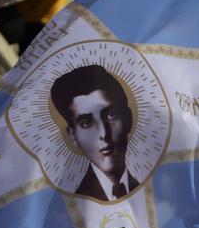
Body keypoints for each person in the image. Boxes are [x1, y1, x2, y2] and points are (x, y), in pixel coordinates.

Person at [50, 65, 138, 200]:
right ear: (73, 136)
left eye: (111, 115)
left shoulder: (161, 189)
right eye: (86, 123)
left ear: (128, 118)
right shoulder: (70, 212)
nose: (103, 133)